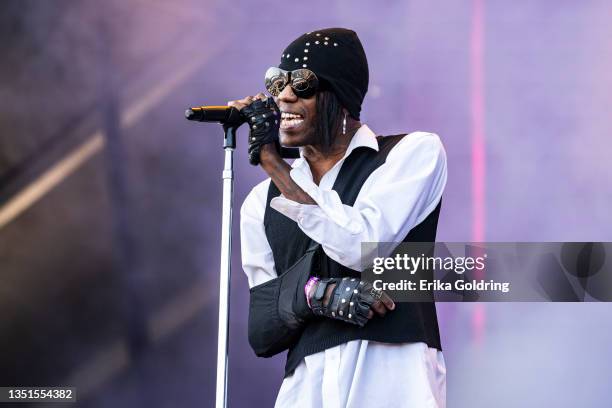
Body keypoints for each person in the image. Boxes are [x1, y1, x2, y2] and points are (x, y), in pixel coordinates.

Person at [232, 28, 447, 408]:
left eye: (302, 84)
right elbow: (263, 328)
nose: (283, 96)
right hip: (306, 390)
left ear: (341, 97)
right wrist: (320, 294)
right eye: (277, 83)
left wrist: (272, 163)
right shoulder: (258, 203)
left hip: (391, 378)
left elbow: (361, 246)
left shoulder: (410, 154)